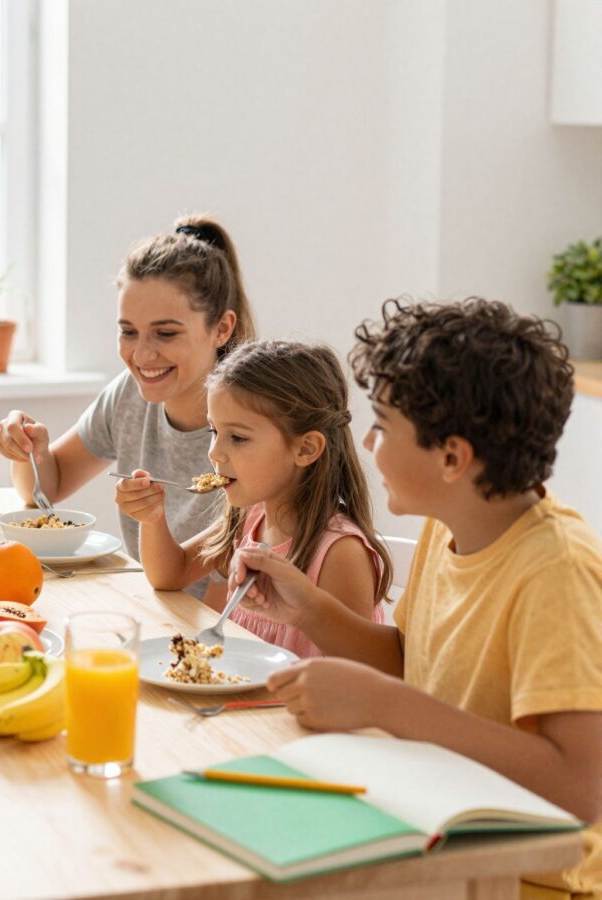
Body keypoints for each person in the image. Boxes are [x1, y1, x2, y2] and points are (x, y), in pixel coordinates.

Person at [231, 299, 602, 896]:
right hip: (437, 838)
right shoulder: (448, 524)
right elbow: (415, 661)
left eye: (381, 425)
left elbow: (578, 787)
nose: (368, 442)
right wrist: (310, 610)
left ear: (452, 457)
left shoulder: (556, 569)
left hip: (527, 878)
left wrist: (386, 706)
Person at [0, 215, 254, 601]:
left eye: (166, 333)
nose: (142, 354)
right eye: (128, 331)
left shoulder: (250, 429)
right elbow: (45, 490)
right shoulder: (129, 395)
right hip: (157, 604)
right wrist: (31, 450)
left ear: (221, 328)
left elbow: (224, 610)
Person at [117, 340, 390, 656]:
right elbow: (170, 575)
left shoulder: (340, 553)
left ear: (305, 449)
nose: (214, 452)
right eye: (213, 432)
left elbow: (356, 676)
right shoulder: (251, 518)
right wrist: (152, 518)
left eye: (237, 437)